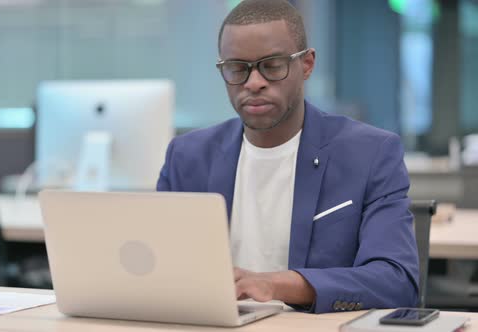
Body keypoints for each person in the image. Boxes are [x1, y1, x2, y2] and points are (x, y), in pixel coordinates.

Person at [157, 0, 419, 314]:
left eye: (272, 65)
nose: (254, 83)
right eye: (237, 68)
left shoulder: (371, 154)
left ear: (306, 64)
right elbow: (158, 269)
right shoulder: (187, 156)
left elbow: (396, 282)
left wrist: (274, 284)